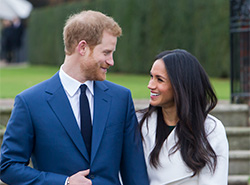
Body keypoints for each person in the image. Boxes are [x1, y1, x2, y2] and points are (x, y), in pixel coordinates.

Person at [0, 10, 149, 185]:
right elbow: (8, 167)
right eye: (107, 52)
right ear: (83, 48)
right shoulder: (30, 102)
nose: (111, 61)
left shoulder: (121, 98)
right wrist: (65, 182)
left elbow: (136, 173)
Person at [137, 49, 229, 185]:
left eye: (159, 80)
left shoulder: (211, 129)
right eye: (151, 77)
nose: (150, 85)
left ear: (180, 85)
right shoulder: (140, 123)